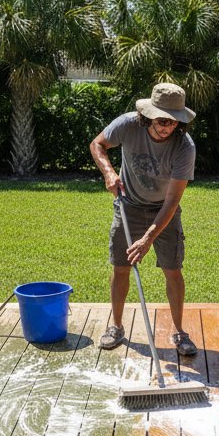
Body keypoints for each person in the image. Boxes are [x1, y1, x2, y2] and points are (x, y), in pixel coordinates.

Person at [89, 82, 198, 356]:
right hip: (129, 205)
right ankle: (116, 327)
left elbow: (173, 201)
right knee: (120, 267)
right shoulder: (127, 125)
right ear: (148, 115)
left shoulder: (185, 147)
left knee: (172, 269)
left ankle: (179, 331)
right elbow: (98, 144)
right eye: (162, 120)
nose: (167, 127)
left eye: (173, 123)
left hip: (165, 211)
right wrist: (109, 173)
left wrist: (149, 237)